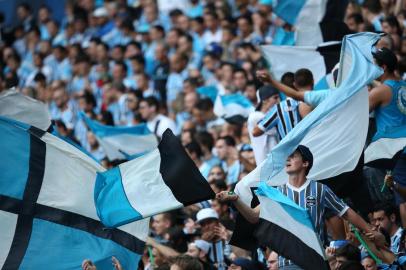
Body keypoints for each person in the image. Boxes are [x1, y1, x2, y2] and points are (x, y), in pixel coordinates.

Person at [217, 145, 385, 269]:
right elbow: (254, 217)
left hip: (315, 260)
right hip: (286, 262)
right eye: (287, 157)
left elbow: (346, 212)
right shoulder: (275, 192)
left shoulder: (320, 189)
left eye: (293, 156)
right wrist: (236, 200)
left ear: (305, 163)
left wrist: (371, 230)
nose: (288, 159)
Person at [247, 85, 280, 165]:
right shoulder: (255, 116)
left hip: (275, 161)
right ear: (265, 100)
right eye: (275, 98)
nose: (278, 101)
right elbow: (277, 129)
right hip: (267, 163)